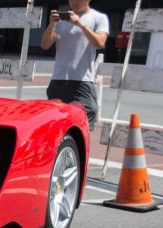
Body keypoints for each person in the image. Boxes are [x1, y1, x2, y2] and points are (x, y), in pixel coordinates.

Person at [41, 0, 108, 130]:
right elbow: (45, 45)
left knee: (84, 125)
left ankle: (80, 150)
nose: (74, 2)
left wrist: (80, 24)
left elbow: (100, 43)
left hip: (82, 80)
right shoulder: (60, 21)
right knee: (55, 127)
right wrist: (51, 25)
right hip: (59, 80)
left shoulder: (99, 18)